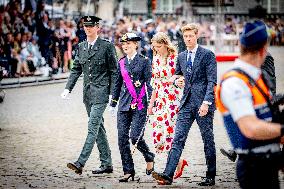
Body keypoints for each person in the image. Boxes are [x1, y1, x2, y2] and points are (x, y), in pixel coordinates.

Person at [215, 20, 284, 189]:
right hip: (254, 165)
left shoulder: (256, 77)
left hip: (269, 161)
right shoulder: (235, 82)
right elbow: (251, 128)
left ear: (240, 45)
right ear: (264, 49)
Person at [152, 23, 217, 186]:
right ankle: (168, 174)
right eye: (185, 36)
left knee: (207, 140)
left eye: (190, 36)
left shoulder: (208, 55)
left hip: (203, 104)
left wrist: (206, 103)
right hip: (186, 104)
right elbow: (176, 75)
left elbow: (212, 81)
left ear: (196, 36)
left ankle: (210, 175)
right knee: (178, 139)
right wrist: (176, 81)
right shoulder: (181, 56)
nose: (188, 39)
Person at [61, 15, 117, 175]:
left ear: (98, 27)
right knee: (99, 128)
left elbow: (114, 72)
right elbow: (76, 69)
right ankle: (107, 164)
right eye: (85, 26)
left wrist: (113, 95)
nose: (88, 28)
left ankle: (80, 162)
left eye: (91, 26)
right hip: (88, 94)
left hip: (101, 93)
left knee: (92, 126)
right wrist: (68, 88)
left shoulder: (107, 46)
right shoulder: (81, 47)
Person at [110, 32, 155, 182]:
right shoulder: (121, 62)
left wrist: (153, 103)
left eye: (128, 43)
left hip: (140, 103)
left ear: (135, 44)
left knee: (135, 137)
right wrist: (113, 103)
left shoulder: (144, 61)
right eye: (123, 44)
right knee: (122, 138)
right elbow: (117, 83)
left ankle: (149, 156)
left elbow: (149, 83)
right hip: (123, 104)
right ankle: (128, 171)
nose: (125, 46)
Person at [220, 52, 277, 162]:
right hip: (249, 96)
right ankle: (236, 150)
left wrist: (270, 98)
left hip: (261, 100)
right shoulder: (248, 56)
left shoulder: (266, 56)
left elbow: (270, 79)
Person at [148, 32, 188, 179]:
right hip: (159, 98)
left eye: (159, 46)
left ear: (165, 44)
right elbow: (154, 84)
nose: (156, 49)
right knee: (158, 134)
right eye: (154, 47)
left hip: (171, 99)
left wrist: (177, 80)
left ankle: (170, 167)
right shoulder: (156, 58)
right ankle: (178, 162)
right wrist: (151, 105)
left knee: (169, 133)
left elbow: (182, 77)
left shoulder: (175, 58)